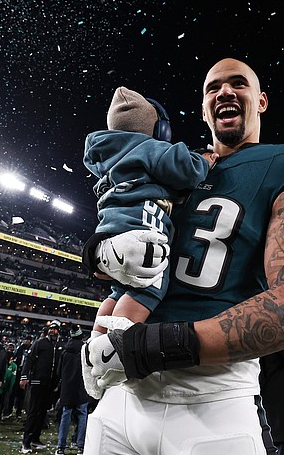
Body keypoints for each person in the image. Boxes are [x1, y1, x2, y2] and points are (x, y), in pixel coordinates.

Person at [79, 58, 284, 455]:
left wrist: (149, 348)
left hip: (209, 399)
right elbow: (129, 240)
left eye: (239, 84)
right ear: (203, 108)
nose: (225, 92)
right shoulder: (171, 167)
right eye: (213, 87)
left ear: (261, 101)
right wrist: (98, 254)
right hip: (121, 399)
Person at [84, 87, 217, 325]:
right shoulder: (150, 147)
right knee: (147, 287)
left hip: (110, 231)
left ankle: (96, 343)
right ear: (157, 129)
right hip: (141, 227)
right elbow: (187, 170)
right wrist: (203, 160)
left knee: (118, 291)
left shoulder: (107, 157)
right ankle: (117, 347)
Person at [19, 322, 63, 453]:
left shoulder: (60, 346)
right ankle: (26, 442)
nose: (52, 331)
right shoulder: (40, 343)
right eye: (51, 329)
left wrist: (57, 383)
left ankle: (35, 438)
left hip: (50, 385)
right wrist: (24, 376)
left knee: (42, 413)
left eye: (55, 329)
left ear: (59, 331)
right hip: (37, 382)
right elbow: (29, 359)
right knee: (33, 412)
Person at [55, 325, 89, 455]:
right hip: (82, 388)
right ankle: (80, 447)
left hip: (67, 389)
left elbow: (58, 372)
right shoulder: (86, 351)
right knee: (82, 416)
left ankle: (61, 447)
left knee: (65, 416)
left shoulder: (65, 352)